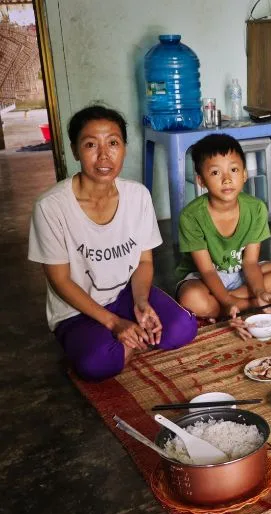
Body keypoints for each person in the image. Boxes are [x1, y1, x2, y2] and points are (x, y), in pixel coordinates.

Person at [28, 105, 198, 381]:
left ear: (124, 148)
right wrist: (114, 322)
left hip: (124, 296)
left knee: (183, 328)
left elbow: (144, 261)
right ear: (74, 150)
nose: (104, 155)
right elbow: (60, 281)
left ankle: (126, 341)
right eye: (91, 144)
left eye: (113, 143)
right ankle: (122, 341)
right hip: (76, 310)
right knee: (96, 364)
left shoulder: (137, 196)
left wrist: (141, 303)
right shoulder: (51, 207)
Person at [175, 134, 271, 333]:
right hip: (205, 277)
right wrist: (229, 299)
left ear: (244, 174)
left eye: (234, 169)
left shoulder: (256, 208)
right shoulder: (191, 215)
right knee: (191, 298)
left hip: (242, 274)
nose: (227, 179)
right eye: (215, 173)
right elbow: (207, 271)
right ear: (201, 180)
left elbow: (250, 263)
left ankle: (236, 304)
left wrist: (260, 291)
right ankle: (246, 305)